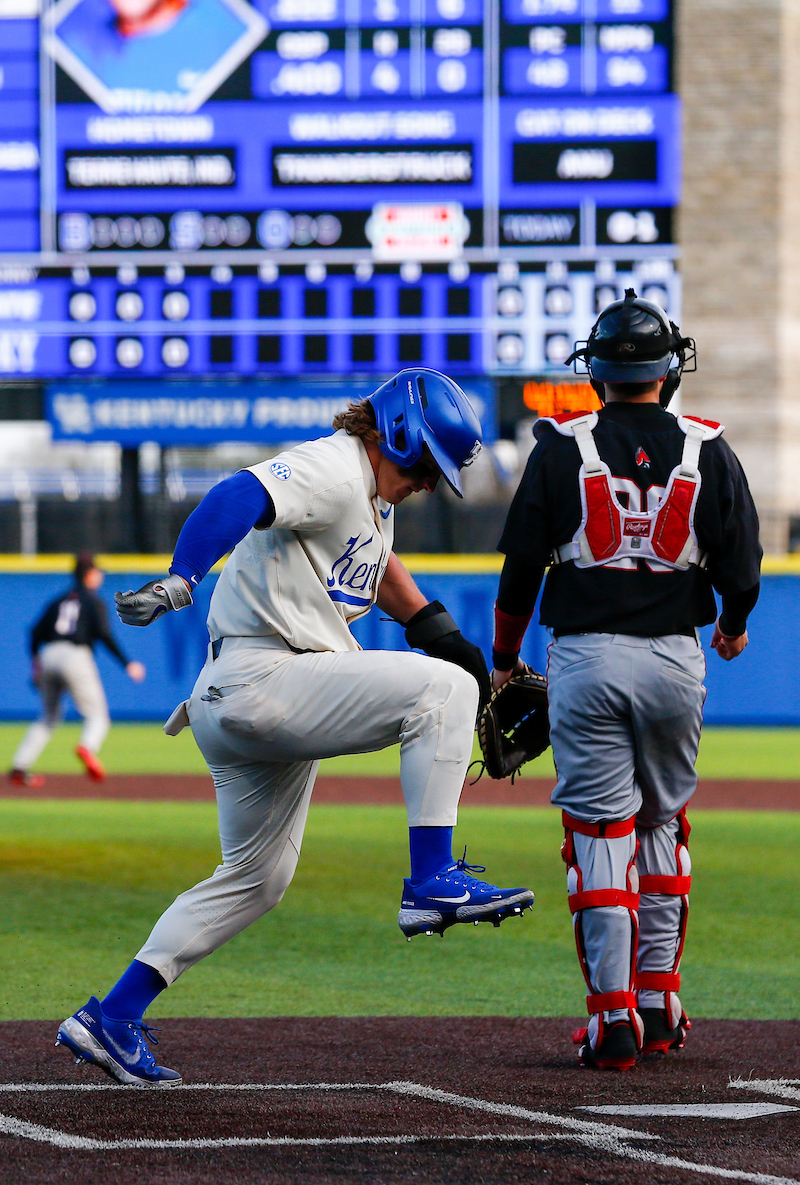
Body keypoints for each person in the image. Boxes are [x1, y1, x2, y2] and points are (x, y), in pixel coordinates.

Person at [55, 369, 535, 1087]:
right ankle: (433, 878)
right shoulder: (334, 467)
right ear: (399, 435)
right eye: (428, 465)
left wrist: (452, 640)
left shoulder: (367, 497)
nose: (430, 483)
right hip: (265, 679)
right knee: (441, 691)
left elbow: (380, 571)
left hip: (245, 698)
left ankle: (113, 1017)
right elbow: (238, 493)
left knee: (257, 880)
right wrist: (183, 576)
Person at [490, 290, 761, 1071]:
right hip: (675, 655)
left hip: (588, 657)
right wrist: (734, 625)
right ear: (668, 371)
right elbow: (743, 567)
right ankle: (659, 1002)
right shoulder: (709, 447)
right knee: (663, 822)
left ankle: (612, 1020)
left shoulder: (559, 447)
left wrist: (505, 657)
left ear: (596, 372)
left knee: (600, 834)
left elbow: (520, 571)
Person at [9, 552, 146, 787]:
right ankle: (87, 747)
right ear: (89, 575)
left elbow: (34, 633)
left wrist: (36, 665)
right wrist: (127, 664)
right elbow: (104, 634)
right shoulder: (94, 601)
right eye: (97, 572)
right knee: (98, 717)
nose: (100, 576)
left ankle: (20, 767)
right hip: (75, 656)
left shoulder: (58, 601)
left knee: (48, 717)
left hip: (49, 655)